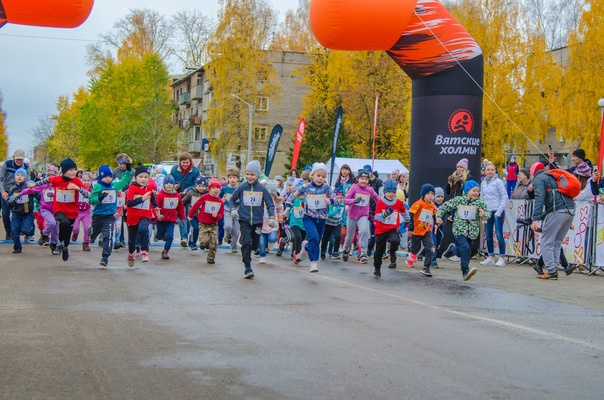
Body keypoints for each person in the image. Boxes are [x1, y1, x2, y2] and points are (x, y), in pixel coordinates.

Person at [29, 158, 90, 261]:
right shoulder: (57, 179)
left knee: (67, 234)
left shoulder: (76, 181)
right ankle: (59, 243)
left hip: (72, 212)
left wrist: (77, 188)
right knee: (64, 223)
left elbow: (88, 195)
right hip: (58, 209)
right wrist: (34, 184)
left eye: (75, 170)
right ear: (64, 171)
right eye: (70, 170)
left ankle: (65, 247)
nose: (73, 172)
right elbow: (46, 180)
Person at [286, 163, 336, 273]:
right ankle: (313, 263)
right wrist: (288, 206)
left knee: (316, 241)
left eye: (323, 176)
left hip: (322, 219)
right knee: (314, 236)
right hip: (309, 217)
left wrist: (330, 201)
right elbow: (293, 194)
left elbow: (336, 199)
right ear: (312, 175)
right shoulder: (306, 187)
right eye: (318, 175)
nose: (320, 178)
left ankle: (306, 248)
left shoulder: (326, 188)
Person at [229, 160, 276, 279]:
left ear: (257, 175)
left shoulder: (262, 188)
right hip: (244, 219)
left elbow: (270, 204)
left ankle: (245, 240)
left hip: (257, 221)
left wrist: (271, 216)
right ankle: (247, 267)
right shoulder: (242, 187)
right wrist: (233, 209)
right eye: (247, 174)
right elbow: (231, 200)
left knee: (254, 245)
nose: (249, 177)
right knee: (247, 242)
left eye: (252, 175)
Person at [437, 180, 490, 281]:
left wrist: (484, 215)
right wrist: (439, 216)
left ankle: (452, 250)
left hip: (472, 232)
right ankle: (465, 271)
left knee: (465, 251)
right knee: (465, 248)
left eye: (478, 191)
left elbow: (487, 213)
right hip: (459, 230)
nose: (476, 193)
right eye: (473, 190)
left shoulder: (479, 203)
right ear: (467, 190)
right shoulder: (458, 200)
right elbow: (444, 207)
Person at [531, 163, 576, 280]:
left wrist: (535, 218)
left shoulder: (539, 179)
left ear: (532, 173)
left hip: (557, 210)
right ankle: (554, 269)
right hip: (570, 209)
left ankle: (551, 270)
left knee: (547, 241)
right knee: (557, 242)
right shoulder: (553, 176)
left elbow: (539, 198)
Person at [88, 162, 133, 267]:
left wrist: (129, 170)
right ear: (101, 177)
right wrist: (99, 199)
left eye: (109, 177)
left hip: (109, 216)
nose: (108, 179)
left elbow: (125, 179)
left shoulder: (115, 186)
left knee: (108, 236)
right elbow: (92, 199)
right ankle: (92, 235)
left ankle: (105, 257)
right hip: (98, 216)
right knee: (94, 234)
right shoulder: (97, 186)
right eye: (105, 177)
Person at [341, 169, 380, 264]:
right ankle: (346, 249)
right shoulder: (353, 188)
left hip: (363, 215)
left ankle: (363, 253)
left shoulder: (370, 190)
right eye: (362, 178)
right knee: (350, 237)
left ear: (368, 181)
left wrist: (384, 205)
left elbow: (377, 199)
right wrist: (354, 201)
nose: (364, 181)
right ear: (358, 179)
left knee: (364, 231)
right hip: (352, 215)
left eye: (366, 179)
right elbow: (345, 200)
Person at [372, 179, 409, 277]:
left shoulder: (398, 202)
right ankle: (377, 268)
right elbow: (377, 217)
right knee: (379, 251)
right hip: (381, 229)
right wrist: (384, 214)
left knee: (395, 240)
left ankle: (392, 252)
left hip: (392, 228)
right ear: (385, 192)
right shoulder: (380, 202)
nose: (391, 194)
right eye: (389, 192)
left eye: (393, 192)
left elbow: (404, 211)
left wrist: (408, 220)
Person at [20, 164, 60, 250]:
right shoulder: (43, 185)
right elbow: (31, 190)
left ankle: (54, 244)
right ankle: (44, 235)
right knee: (51, 222)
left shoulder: (59, 186)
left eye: (53, 176)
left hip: (56, 210)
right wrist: (20, 193)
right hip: (45, 209)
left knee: (56, 227)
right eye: (49, 176)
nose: (51, 179)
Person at [126, 165, 159, 268]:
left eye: (146, 177)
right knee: (132, 239)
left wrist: (156, 207)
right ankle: (131, 254)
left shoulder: (149, 188)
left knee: (144, 229)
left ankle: (144, 251)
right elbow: (129, 203)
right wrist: (142, 198)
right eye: (141, 177)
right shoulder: (132, 188)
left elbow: (152, 199)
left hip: (145, 214)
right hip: (132, 216)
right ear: (136, 178)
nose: (143, 179)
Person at [169, 152, 201, 247]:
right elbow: (170, 180)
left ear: (190, 162)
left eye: (187, 162)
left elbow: (197, 183)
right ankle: (184, 237)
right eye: (183, 162)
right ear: (180, 162)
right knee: (181, 216)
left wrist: (188, 189)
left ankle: (186, 235)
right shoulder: (174, 169)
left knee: (189, 217)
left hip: (191, 197)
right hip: (179, 196)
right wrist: (175, 186)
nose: (185, 164)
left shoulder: (195, 170)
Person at [480, 162, 508, 267]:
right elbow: (482, 198)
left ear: (495, 171)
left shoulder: (498, 182)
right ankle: (491, 256)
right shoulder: (483, 183)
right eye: (488, 169)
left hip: (497, 211)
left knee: (499, 234)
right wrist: (483, 210)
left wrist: (499, 211)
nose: (490, 171)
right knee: (488, 234)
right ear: (485, 171)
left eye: (492, 169)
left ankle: (502, 257)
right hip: (487, 211)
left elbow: (504, 197)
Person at [407, 184, 438, 277]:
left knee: (430, 248)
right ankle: (410, 257)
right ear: (424, 195)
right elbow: (411, 215)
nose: (431, 196)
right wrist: (411, 229)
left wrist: (437, 223)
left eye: (432, 194)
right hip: (416, 230)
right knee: (414, 249)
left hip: (426, 230)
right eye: (428, 194)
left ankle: (426, 268)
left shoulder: (432, 205)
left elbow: (434, 215)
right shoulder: (418, 203)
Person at [156, 175, 186, 260]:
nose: (169, 185)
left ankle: (165, 251)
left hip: (171, 220)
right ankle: (160, 235)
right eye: (167, 183)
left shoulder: (177, 196)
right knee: (159, 236)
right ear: (164, 184)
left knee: (170, 236)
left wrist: (181, 217)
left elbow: (180, 207)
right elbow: (156, 206)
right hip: (161, 220)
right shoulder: (160, 195)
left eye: (171, 183)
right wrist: (157, 215)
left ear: (174, 185)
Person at [0, 149, 28, 239]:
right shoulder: (7, 165)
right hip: (6, 192)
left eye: (21, 159)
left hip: (19, 193)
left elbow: (28, 182)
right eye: (17, 159)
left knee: (18, 214)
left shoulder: (26, 168)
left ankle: (15, 232)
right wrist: (3, 191)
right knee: (5, 214)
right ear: (13, 158)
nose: (19, 161)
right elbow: (0, 178)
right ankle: (8, 232)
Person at [7, 168, 34, 253]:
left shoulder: (28, 187)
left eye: (22, 175)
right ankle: (17, 247)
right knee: (14, 231)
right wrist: (10, 200)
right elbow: (9, 202)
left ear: (25, 177)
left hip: (27, 213)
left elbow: (36, 194)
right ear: (15, 177)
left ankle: (30, 229)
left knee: (25, 230)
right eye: (18, 175)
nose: (19, 177)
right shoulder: (12, 189)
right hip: (16, 213)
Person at [182, 176, 208, 250]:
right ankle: (192, 243)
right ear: (196, 185)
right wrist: (178, 206)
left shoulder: (207, 194)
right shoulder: (191, 193)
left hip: (204, 216)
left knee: (205, 230)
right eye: (199, 186)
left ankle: (206, 242)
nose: (201, 188)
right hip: (193, 215)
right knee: (195, 228)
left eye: (203, 186)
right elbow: (183, 201)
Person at [219, 168, 240, 253]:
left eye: (234, 178)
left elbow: (243, 198)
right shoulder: (225, 189)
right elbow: (219, 197)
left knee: (236, 230)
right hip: (227, 209)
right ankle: (227, 234)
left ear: (237, 179)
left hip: (237, 210)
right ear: (228, 179)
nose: (232, 179)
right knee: (228, 226)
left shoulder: (239, 188)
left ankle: (234, 246)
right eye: (230, 177)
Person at [320, 186, 345, 260]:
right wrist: (336, 210)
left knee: (338, 236)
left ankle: (335, 252)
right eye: (338, 197)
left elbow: (344, 214)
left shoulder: (343, 205)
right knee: (325, 238)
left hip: (338, 223)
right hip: (329, 223)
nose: (339, 199)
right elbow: (328, 214)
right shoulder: (331, 203)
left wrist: (344, 221)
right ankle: (323, 251)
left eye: (341, 198)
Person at [71, 172, 93, 251]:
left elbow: (93, 200)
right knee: (75, 228)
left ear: (91, 181)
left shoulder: (92, 190)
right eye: (84, 180)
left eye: (88, 180)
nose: (86, 182)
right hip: (77, 211)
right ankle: (75, 234)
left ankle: (86, 243)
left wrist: (93, 205)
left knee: (87, 228)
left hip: (86, 212)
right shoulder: (78, 189)